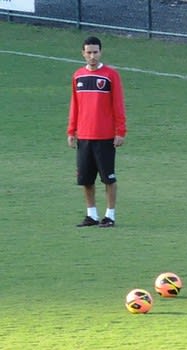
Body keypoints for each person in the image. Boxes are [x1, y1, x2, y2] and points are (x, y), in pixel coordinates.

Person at [67, 36, 127, 228]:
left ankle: (110, 215)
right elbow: (74, 105)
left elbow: (118, 104)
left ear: (101, 52)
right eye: (89, 52)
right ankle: (91, 215)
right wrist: (72, 130)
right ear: (83, 53)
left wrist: (120, 131)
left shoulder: (111, 76)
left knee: (108, 178)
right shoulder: (77, 76)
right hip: (84, 136)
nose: (92, 56)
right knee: (86, 179)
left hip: (105, 137)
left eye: (95, 52)